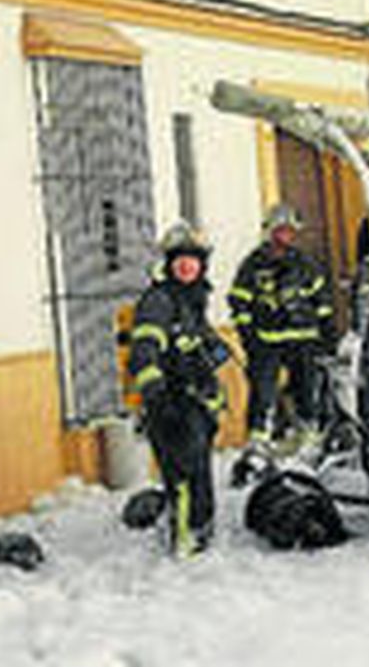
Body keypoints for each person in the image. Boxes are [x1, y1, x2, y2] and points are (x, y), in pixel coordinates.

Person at [126, 221, 229, 557]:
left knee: (199, 471)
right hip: (170, 404)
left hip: (195, 401)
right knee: (182, 477)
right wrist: (156, 396)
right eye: (180, 259)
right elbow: (143, 351)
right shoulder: (158, 300)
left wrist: (213, 350)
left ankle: (202, 534)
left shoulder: (192, 299)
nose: (187, 265)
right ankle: (184, 542)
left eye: (193, 259)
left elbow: (199, 340)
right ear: (168, 264)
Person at [230, 203, 333, 452]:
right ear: (268, 232)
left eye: (288, 231)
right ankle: (259, 440)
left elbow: (322, 301)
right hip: (267, 341)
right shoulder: (253, 266)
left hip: (303, 339)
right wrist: (248, 335)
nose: (284, 236)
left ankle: (306, 434)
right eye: (279, 231)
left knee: (306, 390)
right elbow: (238, 301)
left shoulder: (304, 264)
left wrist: (326, 333)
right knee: (263, 391)